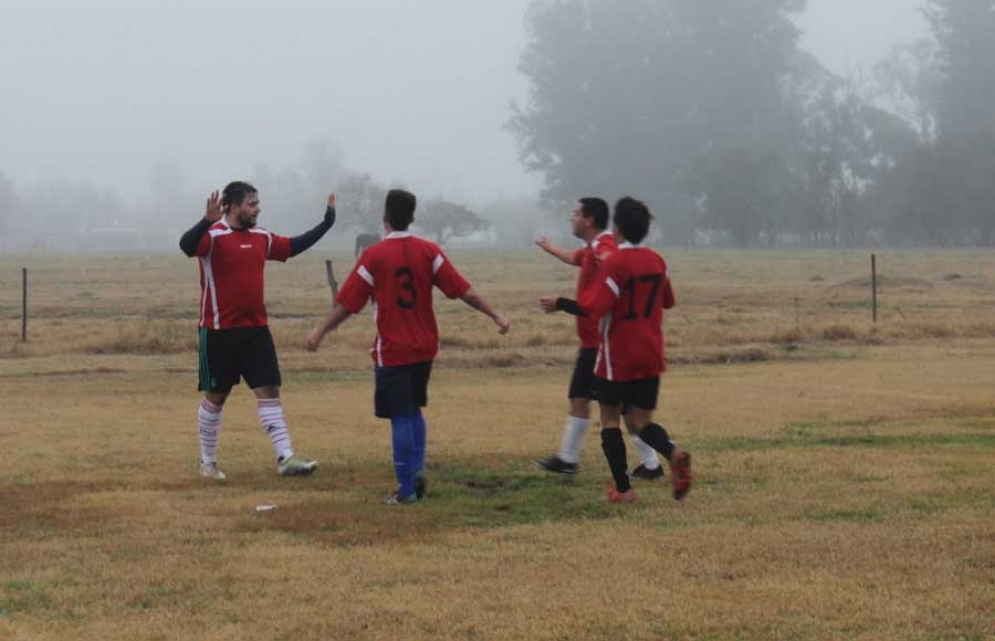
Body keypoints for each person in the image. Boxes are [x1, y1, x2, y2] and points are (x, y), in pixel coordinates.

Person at [306, 189, 510, 505]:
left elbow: (348, 304)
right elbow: (463, 291)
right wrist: (495, 314)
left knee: (400, 415)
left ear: (384, 218)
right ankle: (415, 471)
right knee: (414, 408)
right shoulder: (429, 251)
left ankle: (406, 490)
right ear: (412, 218)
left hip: (393, 349)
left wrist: (320, 331)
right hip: (426, 347)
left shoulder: (373, 256)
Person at [179, 181, 336, 481]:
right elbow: (186, 247)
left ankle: (286, 458)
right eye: (252, 203)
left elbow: (293, 246)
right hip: (218, 332)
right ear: (234, 206)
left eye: (257, 202)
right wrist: (205, 221)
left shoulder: (261, 236)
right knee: (217, 395)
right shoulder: (213, 236)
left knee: (269, 389)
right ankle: (208, 463)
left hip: (256, 331)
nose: (258, 208)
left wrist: (326, 223)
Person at [540, 197, 691, 503]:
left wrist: (561, 303)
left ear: (618, 228)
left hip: (617, 355)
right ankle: (673, 453)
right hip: (651, 354)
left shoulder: (614, 263)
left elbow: (594, 309)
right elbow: (668, 301)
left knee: (610, 418)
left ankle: (623, 490)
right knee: (640, 422)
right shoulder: (657, 260)